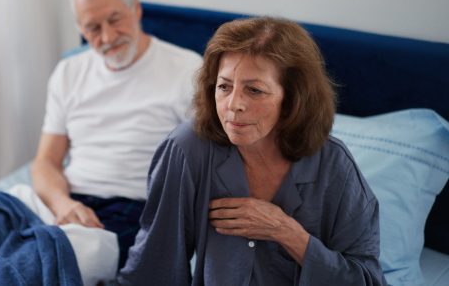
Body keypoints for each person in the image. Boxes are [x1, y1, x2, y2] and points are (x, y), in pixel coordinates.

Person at [117, 17, 388, 285]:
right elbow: (155, 265)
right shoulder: (187, 148)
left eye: (255, 90)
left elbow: (366, 280)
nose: (233, 104)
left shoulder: (334, 166)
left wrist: (287, 233)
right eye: (224, 86)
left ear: (293, 98)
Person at [31, 0, 202, 269]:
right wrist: (63, 204)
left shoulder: (186, 69)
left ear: (135, 8)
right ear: (81, 30)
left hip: (130, 209)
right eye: (93, 28)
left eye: (115, 20)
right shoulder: (68, 72)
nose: (107, 37)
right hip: (62, 202)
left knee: (36, 262)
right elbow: (45, 162)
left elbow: (209, 163)